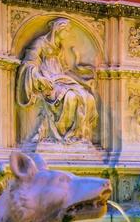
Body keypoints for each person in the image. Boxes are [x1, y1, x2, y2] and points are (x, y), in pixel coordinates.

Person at [17, 17, 98, 145]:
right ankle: (62, 135)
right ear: (57, 30)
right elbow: (29, 63)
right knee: (70, 97)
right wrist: (39, 77)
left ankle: (78, 135)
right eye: (66, 31)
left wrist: (84, 82)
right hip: (47, 82)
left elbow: (65, 70)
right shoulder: (40, 43)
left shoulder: (59, 47)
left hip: (61, 80)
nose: (67, 34)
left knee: (88, 98)